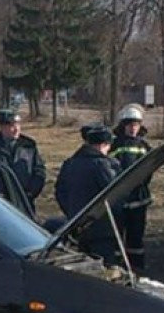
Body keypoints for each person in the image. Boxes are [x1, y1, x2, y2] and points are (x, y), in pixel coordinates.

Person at [55, 125, 124, 265]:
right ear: (103, 145)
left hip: (77, 226)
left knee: (84, 265)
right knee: (105, 266)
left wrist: (72, 212)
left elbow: (60, 192)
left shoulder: (70, 163)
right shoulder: (103, 165)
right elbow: (115, 194)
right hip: (102, 227)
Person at [0, 110, 47, 215]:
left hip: (25, 203)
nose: (16, 129)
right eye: (12, 126)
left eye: (18, 124)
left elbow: (39, 171)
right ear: (2, 127)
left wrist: (31, 192)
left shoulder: (28, 145)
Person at [110, 106, 152, 269]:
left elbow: (149, 169)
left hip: (138, 198)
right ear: (123, 125)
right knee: (117, 234)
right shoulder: (116, 145)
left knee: (136, 236)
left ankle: (137, 266)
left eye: (136, 125)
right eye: (130, 125)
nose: (133, 128)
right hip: (119, 198)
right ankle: (117, 266)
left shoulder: (144, 145)